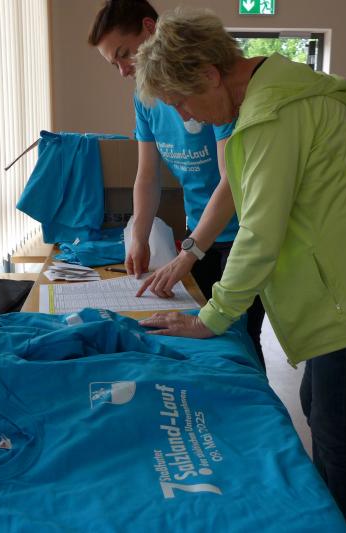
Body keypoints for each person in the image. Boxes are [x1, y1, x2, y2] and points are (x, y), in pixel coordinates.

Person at [133, 8, 346, 533]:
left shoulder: (270, 117)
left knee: (337, 432)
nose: (187, 117)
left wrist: (211, 317)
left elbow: (258, 234)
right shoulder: (275, 93)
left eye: (181, 102)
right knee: (316, 405)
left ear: (209, 74)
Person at [87, 0, 266, 366]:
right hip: (198, 232)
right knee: (197, 333)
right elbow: (147, 175)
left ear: (149, 29)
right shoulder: (144, 99)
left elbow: (232, 181)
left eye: (124, 54)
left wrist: (188, 253)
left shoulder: (209, 87)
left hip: (240, 234)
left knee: (239, 338)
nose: (123, 71)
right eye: (113, 64)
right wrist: (139, 236)